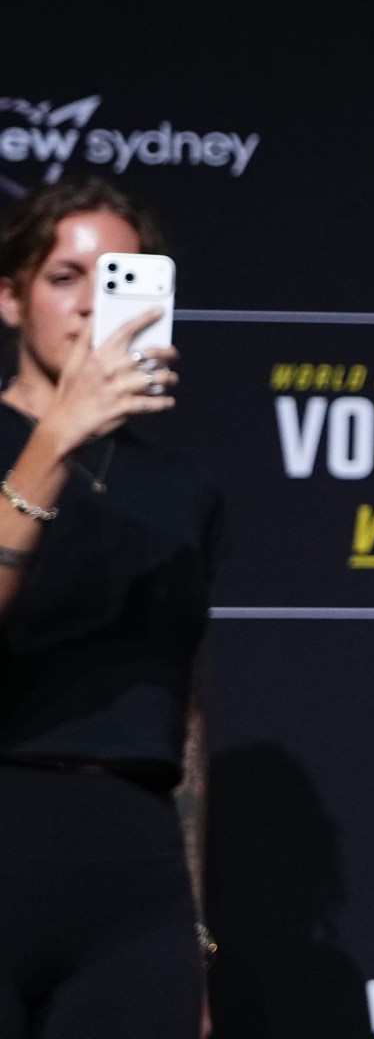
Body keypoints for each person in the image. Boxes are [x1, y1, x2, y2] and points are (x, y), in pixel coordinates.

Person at [0, 178, 217, 1037]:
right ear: (10, 299)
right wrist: (55, 439)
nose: (94, 304)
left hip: (130, 870)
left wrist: (193, 933)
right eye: (64, 277)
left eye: (122, 277)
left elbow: (186, 720)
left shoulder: (184, 489)